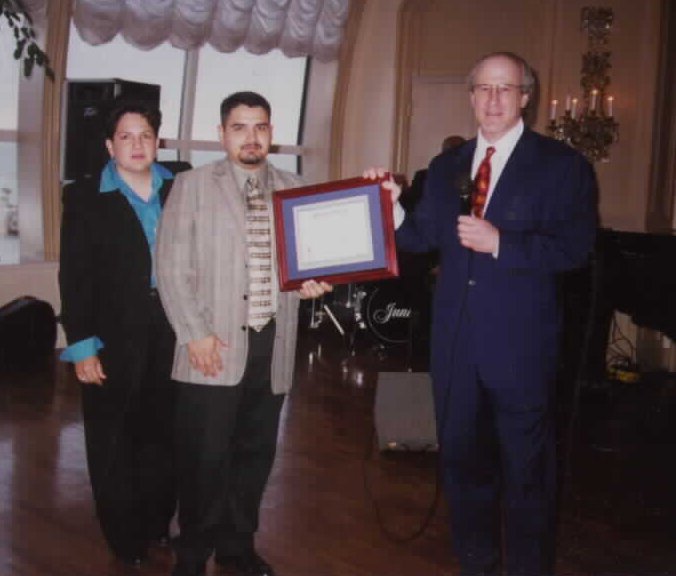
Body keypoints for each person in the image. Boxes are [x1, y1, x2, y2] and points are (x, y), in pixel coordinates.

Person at [367, 52, 598, 576]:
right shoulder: (446, 166)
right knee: (461, 467)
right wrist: (391, 205)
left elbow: (575, 248)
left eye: (505, 89)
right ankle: (477, 564)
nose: (493, 100)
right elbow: (419, 238)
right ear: (471, 96)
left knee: (527, 475)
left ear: (525, 97)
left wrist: (501, 243)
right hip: (455, 347)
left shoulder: (562, 166)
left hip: (522, 349)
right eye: (484, 89)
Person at [156, 91, 330, 576]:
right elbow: (170, 266)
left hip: (273, 343)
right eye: (239, 127)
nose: (251, 137)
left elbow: (305, 264)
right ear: (222, 134)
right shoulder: (191, 185)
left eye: (260, 127)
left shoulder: (295, 187)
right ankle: (192, 554)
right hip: (211, 344)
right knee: (203, 459)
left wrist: (314, 282)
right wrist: (194, 334)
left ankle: (237, 547)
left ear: (271, 133)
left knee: (254, 455)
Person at [59, 101, 178, 565]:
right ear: (110, 145)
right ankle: (124, 539)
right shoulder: (85, 196)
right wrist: (82, 346)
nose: (137, 144)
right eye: (126, 136)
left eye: (145, 135)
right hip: (112, 335)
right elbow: (75, 276)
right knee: (113, 439)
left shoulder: (181, 185)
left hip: (173, 329)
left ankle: (157, 524)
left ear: (158, 141)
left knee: (164, 435)